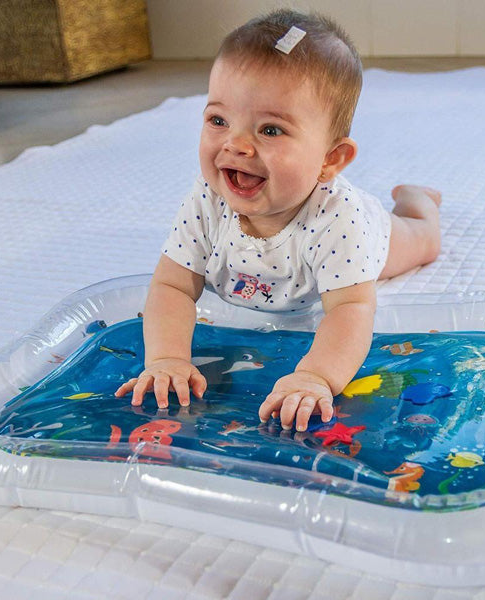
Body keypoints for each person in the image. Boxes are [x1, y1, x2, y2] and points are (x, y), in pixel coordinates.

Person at [115, 9, 441, 432]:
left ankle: (418, 201)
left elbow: (351, 309)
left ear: (330, 159)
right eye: (218, 120)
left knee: (424, 241)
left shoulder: (341, 221)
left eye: (270, 130)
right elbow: (172, 285)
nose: (236, 145)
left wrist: (315, 376)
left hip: (374, 234)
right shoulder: (207, 199)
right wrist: (167, 358)